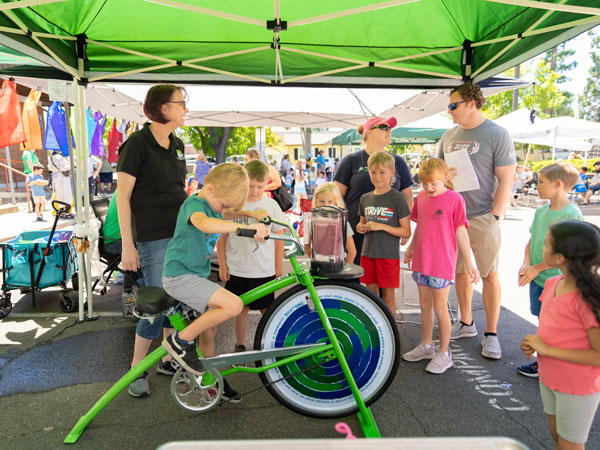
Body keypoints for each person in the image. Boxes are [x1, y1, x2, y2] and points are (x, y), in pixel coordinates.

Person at [162, 163, 270, 401]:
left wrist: (250, 215)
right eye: (222, 203)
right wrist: (243, 228)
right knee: (233, 305)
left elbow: (223, 214)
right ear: (210, 189)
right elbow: (204, 223)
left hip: (193, 276)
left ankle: (210, 381)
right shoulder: (194, 204)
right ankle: (180, 341)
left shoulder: (212, 204)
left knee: (209, 329)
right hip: (179, 277)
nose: (223, 209)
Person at [117, 84, 190, 397]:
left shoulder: (178, 144)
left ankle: (170, 359)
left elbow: (178, 190)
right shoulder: (136, 144)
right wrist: (127, 245)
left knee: (177, 300)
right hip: (152, 237)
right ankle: (136, 368)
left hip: (181, 234)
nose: (186, 108)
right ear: (163, 108)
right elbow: (123, 198)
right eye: (181, 103)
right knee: (156, 302)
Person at [437, 83, 516, 360]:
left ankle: (492, 334)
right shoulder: (448, 136)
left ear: (471, 103)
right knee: (459, 271)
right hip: (454, 216)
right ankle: (466, 322)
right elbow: (437, 174)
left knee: (489, 274)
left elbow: (506, 178)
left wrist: (495, 214)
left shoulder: (496, 133)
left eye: (453, 105)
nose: (450, 111)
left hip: (483, 216)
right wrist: (444, 178)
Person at [520, 221, 600, 450]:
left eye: (545, 244)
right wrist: (534, 344)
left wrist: (547, 349)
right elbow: (553, 330)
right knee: (557, 437)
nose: (540, 248)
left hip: (577, 385)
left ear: (560, 258)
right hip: (550, 376)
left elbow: (598, 356)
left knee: (570, 445)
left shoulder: (588, 299)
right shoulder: (553, 284)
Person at [403, 158, 479, 374]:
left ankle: (444, 353)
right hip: (421, 260)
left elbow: (461, 232)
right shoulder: (423, 198)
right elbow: (421, 225)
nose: (428, 188)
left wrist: (471, 264)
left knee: (440, 308)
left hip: (441, 263)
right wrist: (411, 247)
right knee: (424, 306)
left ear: (446, 178)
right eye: (424, 184)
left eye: (433, 184)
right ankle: (427, 345)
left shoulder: (455, 199)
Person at [516, 163, 583, 378]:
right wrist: (527, 265)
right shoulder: (540, 211)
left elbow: (566, 253)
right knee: (542, 321)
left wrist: (536, 268)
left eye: (541, 182)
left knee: (557, 326)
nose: (536, 186)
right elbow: (531, 240)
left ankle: (549, 364)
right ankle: (544, 362)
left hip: (557, 281)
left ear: (558, 184)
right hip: (537, 279)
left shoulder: (571, 213)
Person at [216, 160, 285, 355]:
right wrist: (222, 264)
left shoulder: (271, 205)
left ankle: (272, 343)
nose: (255, 191)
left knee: (268, 310)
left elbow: (279, 237)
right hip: (237, 269)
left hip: (263, 270)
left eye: (260, 186)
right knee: (240, 309)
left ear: (267, 184)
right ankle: (240, 344)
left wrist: (278, 267)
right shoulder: (233, 206)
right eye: (251, 186)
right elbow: (221, 238)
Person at [335, 116, 413, 266]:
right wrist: (341, 229)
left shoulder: (398, 162)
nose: (389, 131)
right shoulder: (351, 160)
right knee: (354, 281)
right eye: (384, 128)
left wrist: (405, 226)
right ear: (368, 132)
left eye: (390, 128)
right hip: (355, 234)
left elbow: (407, 195)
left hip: (387, 236)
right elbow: (336, 197)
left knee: (384, 285)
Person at [356, 152, 411, 318]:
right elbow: (362, 223)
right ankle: (376, 334)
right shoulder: (365, 198)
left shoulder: (397, 198)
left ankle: (392, 336)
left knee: (388, 299)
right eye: (373, 172)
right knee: (371, 298)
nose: (377, 176)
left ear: (391, 173)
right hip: (367, 253)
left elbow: (406, 231)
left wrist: (381, 226)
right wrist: (361, 227)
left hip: (388, 255)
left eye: (381, 172)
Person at [304, 182, 357, 264]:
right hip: (319, 271)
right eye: (322, 201)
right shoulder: (311, 222)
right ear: (316, 201)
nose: (325, 205)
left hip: (338, 271)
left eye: (330, 202)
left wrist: (344, 271)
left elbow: (352, 252)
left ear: (336, 202)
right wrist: (317, 263)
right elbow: (307, 247)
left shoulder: (342, 223)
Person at [47, 150, 74, 219]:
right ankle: (65, 212)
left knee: (60, 194)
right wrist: (71, 164)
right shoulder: (58, 156)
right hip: (62, 177)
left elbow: (50, 167)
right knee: (65, 194)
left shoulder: (52, 156)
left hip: (56, 176)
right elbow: (64, 167)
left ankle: (61, 211)